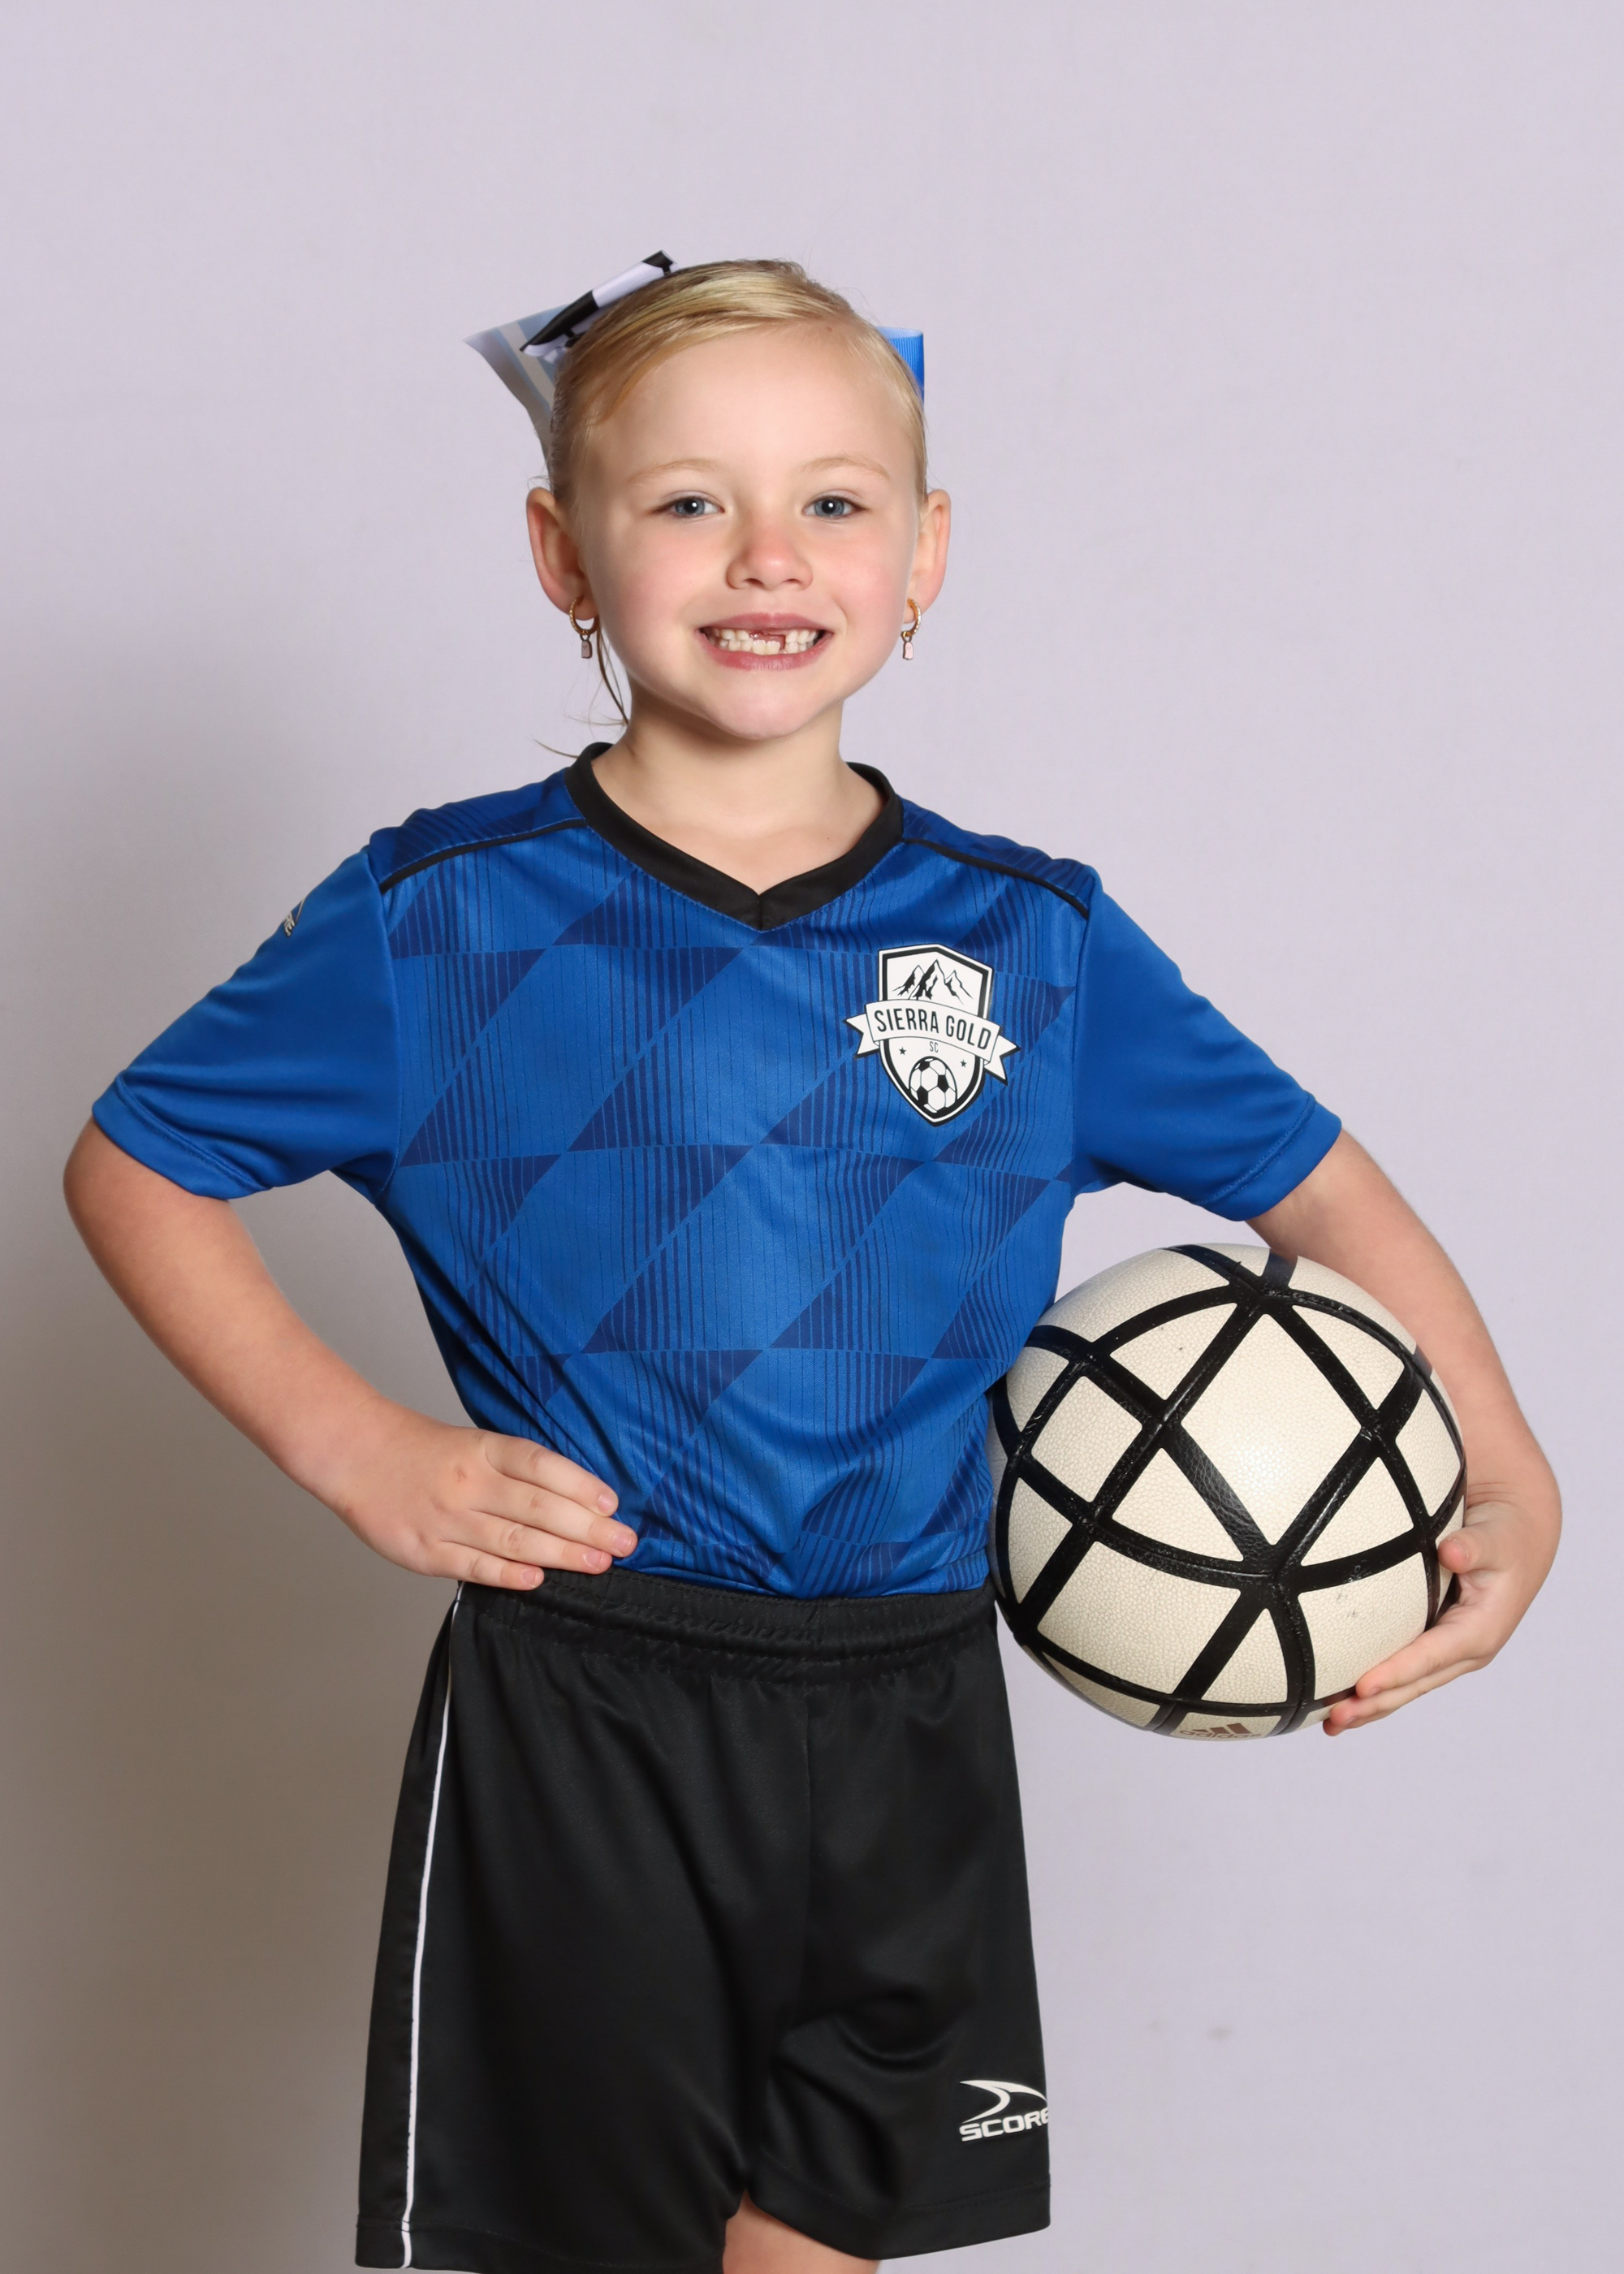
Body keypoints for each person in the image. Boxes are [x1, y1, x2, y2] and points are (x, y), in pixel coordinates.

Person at [63, 259, 1560, 2274]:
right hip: (594, 1708)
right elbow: (139, 1159)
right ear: (561, 553)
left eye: (833, 501)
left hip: (913, 1709)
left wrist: (1506, 1470)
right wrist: (359, 1448)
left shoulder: (1033, 942)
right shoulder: (443, 918)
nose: (766, 554)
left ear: (924, 553)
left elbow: (1326, 1196)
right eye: (689, 500)